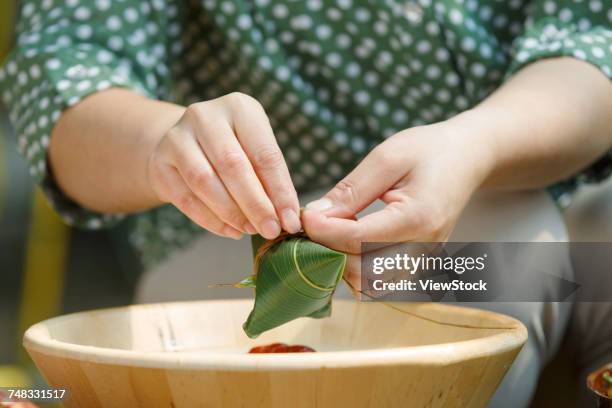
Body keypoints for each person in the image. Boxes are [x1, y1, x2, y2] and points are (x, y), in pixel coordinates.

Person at [1, 0, 610, 406]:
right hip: (238, 257)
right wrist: (165, 147)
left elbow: (593, 34)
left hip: (562, 208)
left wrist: (476, 145)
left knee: (568, 256)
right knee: (495, 254)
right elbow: (66, 68)